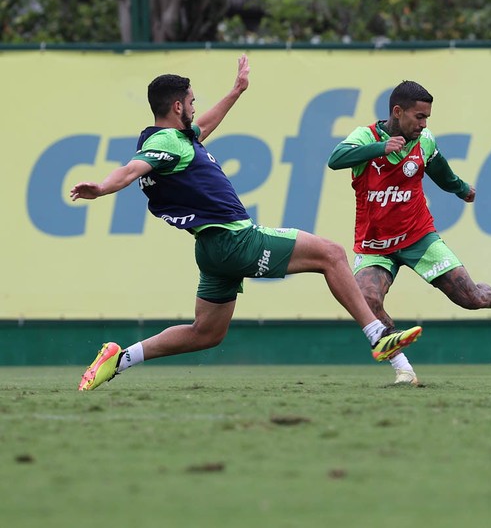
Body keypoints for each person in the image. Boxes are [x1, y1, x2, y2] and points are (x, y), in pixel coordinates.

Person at [72, 55, 422, 391]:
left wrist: (236, 90)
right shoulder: (165, 141)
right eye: (192, 101)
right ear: (178, 106)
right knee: (330, 253)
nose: (195, 108)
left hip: (211, 249)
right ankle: (377, 335)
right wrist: (102, 187)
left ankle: (118, 360)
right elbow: (132, 169)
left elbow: (204, 125)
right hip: (234, 240)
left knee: (206, 333)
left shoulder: (181, 139)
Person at [328, 80, 491, 385]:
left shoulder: (424, 141)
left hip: (418, 237)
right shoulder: (366, 136)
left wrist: (461, 189)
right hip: (375, 244)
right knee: (366, 299)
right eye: (419, 117)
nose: (424, 124)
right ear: (397, 111)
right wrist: (380, 147)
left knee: (470, 298)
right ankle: (404, 370)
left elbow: (440, 170)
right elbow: (335, 159)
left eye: (427, 117)